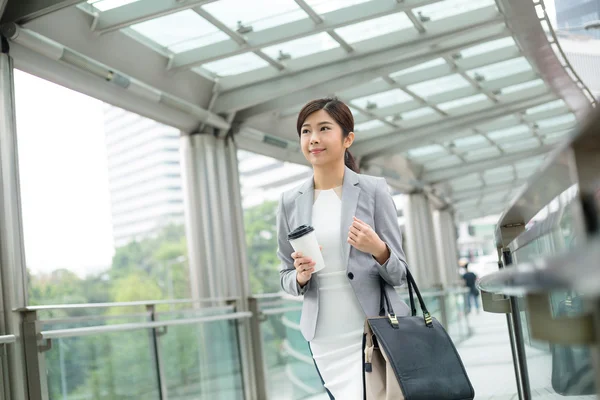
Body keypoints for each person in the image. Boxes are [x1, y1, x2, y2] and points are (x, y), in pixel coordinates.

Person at [276, 98, 410, 399]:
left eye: (324, 128)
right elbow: (284, 274)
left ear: (347, 138)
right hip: (324, 337)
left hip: (371, 330)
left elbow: (400, 272)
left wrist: (379, 248)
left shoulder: (373, 190)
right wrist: (299, 276)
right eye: (306, 131)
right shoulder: (289, 201)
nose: (313, 139)